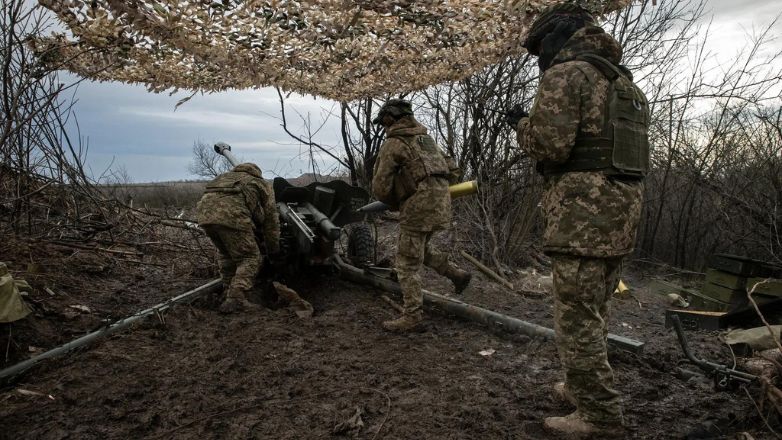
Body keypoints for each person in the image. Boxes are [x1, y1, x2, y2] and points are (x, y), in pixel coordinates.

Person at [507, 4, 650, 437]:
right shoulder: (622, 81)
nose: (540, 61)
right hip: (619, 217)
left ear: (556, 39)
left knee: (576, 318)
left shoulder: (568, 75)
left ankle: (600, 416)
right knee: (595, 308)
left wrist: (521, 125)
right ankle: (579, 388)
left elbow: (550, 146)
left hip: (580, 219)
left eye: (540, 51)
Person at [372, 99, 472, 333]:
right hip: (441, 205)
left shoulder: (394, 144)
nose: (384, 128)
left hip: (418, 208)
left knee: (406, 263)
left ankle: (413, 315)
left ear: (389, 120)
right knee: (419, 249)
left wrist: (396, 201)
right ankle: (456, 274)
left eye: (384, 124)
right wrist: (437, 192)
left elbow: (380, 187)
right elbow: (453, 168)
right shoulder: (426, 140)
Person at [196, 162, 280, 314]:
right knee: (250, 257)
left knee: (227, 255)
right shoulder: (259, 182)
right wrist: (273, 248)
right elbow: (271, 219)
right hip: (232, 219)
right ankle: (237, 298)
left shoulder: (223, 178)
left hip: (205, 218)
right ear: (257, 172)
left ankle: (228, 291)